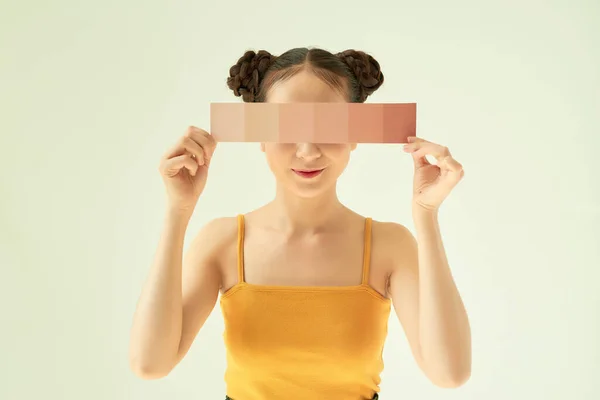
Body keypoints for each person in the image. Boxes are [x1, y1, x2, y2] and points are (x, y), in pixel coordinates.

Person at [129, 47, 472, 400]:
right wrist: (177, 210)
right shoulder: (223, 241)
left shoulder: (390, 246)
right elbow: (150, 364)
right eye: (287, 126)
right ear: (260, 135)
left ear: (355, 134)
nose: (308, 151)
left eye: (329, 126)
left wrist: (426, 215)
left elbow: (449, 373)